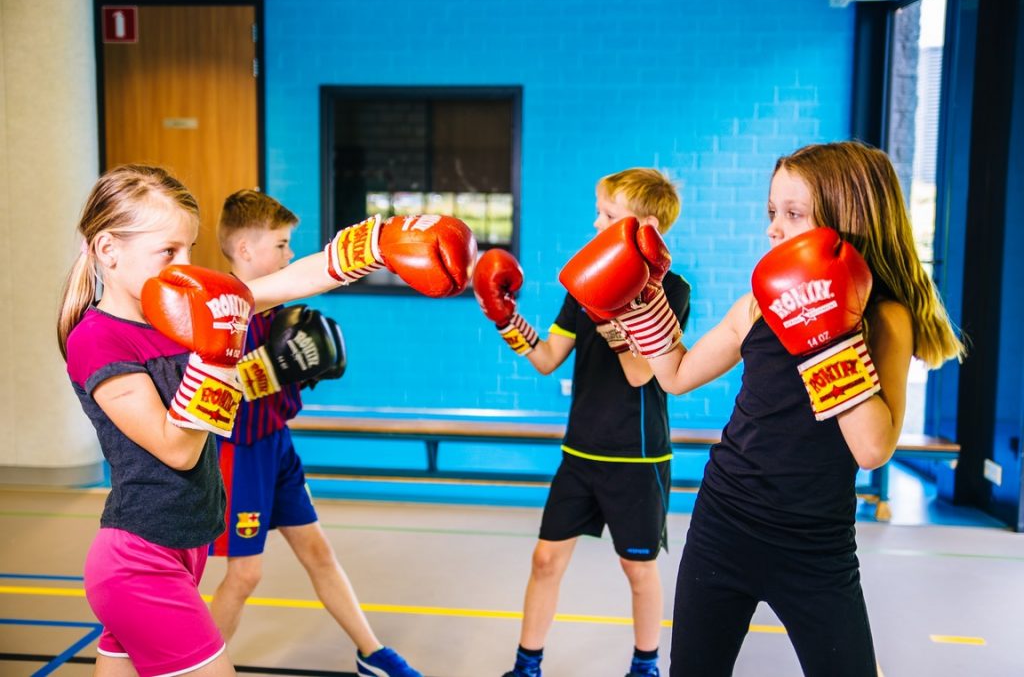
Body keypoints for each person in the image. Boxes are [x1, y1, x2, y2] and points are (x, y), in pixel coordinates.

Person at [559, 141, 965, 677]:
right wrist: (642, 301)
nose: (773, 228)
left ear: (849, 218)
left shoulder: (885, 318)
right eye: (772, 212)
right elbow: (676, 375)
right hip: (724, 521)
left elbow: (871, 449)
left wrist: (827, 335)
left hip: (815, 544)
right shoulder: (757, 302)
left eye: (793, 214)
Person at [57, 164, 475, 677]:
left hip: (181, 548)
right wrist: (220, 353)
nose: (184, 266)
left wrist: (378, 244)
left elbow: (290, 280)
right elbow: (178, 448)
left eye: (189, 249)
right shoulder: (97, 339)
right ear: (107, 250)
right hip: (141, 562)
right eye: (168, 251)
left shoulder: (178, 312)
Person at [474, 168, 691, 677]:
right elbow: (549, 356)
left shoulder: (671, 291)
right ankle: (526, 666)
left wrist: (611, 315)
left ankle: (645, 665)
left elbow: (641, 373)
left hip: (637, 458)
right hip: (580, 454)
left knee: (638, 569)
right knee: (545, 560)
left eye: (609, 215)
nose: (596, 223)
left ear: (647, 225)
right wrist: (506, 318)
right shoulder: (584, 280)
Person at [207, 189, 419, 677]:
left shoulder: (276, 307)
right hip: (240, 454)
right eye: (281, 245)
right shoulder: (223, 312)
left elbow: (276, 382)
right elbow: (217, 390)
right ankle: (194, 668)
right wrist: (273, 369)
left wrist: (299, 367)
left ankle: (373, 654)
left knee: (318, 551)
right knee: (244, 574)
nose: (289, 255)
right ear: (245, 251)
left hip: (277, 445)